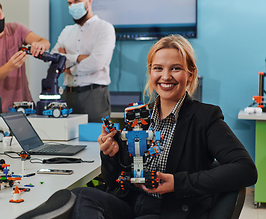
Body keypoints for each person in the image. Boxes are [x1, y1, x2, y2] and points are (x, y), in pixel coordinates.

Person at [70, 35, 257, 219]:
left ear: (190, 74)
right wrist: (110, 155)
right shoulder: (139, 116)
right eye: (158, 68)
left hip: (169, 209)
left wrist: (178, 183)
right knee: (79, 195)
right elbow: (112, 181)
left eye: (175, 68)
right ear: (150, 72)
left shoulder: (205, 117)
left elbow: (245, 169)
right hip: (129, 202)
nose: (166, 76)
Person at [0, 0, 50, 112]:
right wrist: (10, 66)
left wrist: (40, 45)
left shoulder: (16, 29)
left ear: (2, 11)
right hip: (0, 108)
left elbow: (44, 42)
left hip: (25, 103)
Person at [51, 0, 116, 122]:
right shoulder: (66, 31)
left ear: (89, 1)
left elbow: (96, 63)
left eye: (77, 1)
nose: (72, 6)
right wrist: (79, 58)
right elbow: (55, 59)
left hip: (94, 96)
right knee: (67, 140)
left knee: (97, 139)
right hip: (67, 95)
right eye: (69, 3)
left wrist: (68, 66)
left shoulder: (104, 28)